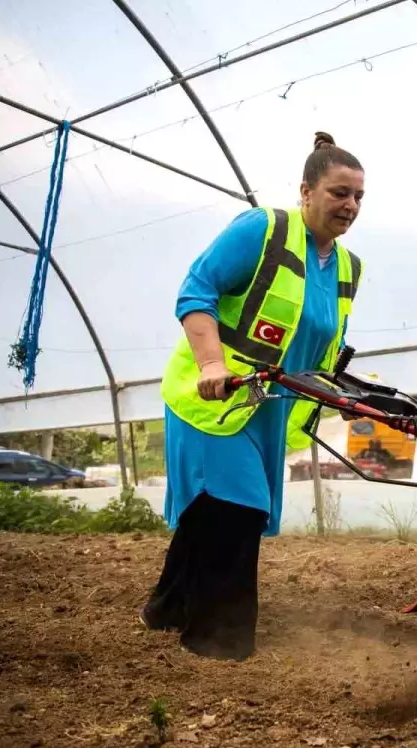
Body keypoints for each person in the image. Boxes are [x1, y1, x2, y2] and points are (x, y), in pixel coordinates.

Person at [140, 132, 366, 660]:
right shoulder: (263, 230)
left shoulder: (350, 267)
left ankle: (166, 608)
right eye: (338, 193)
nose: (350, 206)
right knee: (240, 506)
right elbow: (197, 289)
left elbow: (318, 339)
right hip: (216, 395)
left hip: (268, 407)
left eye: (358, 197)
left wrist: (339, 386)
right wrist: (212, 364)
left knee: (213, 508)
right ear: (306, 191)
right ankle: (218, 638)